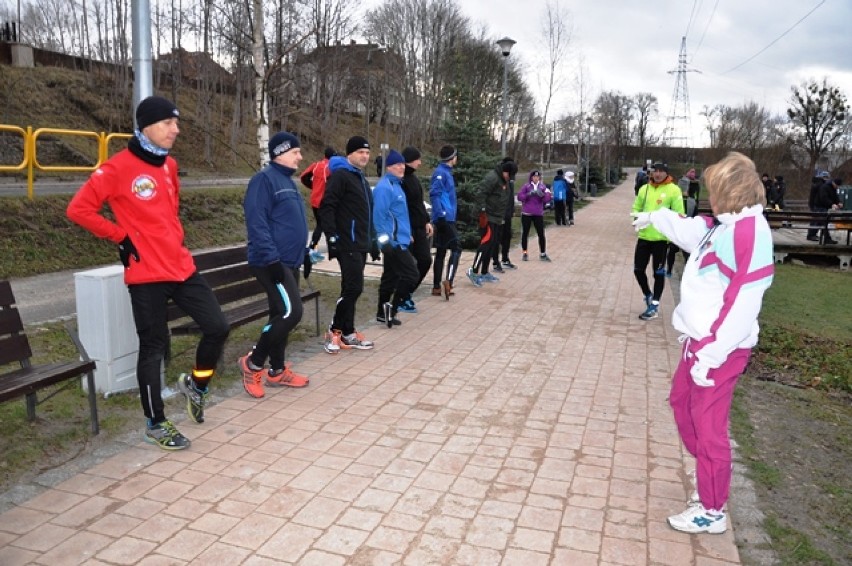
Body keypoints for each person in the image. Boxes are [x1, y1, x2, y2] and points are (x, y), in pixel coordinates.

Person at [66, 96, 229, 450]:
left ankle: (197, 386)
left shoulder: (170, 166)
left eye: (177, 122)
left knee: (217, 327)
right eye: (169, 123)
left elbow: (168, 213)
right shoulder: (115, 169)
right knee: (153, 348)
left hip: (181, 267)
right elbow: (79, 209)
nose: (176, 129)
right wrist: (120, 236)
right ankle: (156, 423)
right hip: (145, 276)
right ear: (147, 126)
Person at [631, 151, 774, 535]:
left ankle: (711, 508)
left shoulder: (750, 233)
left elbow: (744, 302)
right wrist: (656, 218)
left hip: (720, 350)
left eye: (714, 190)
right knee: (682, 405)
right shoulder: (727, 226)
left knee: (709, 427)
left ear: (730, 192)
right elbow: (697, 232)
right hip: (701, 343)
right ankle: (709, 476)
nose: (708, 196)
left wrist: (712, 353)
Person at [237, 132, 310, 399]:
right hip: (270, 262)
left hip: (289, 261)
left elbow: (291, 223)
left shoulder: (288, 183)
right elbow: (257, 223)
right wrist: (272, 260)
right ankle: (253, 363)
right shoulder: (263, 180)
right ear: (280, 153)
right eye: (295, 152)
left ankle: (277, 370)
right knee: (292, 313)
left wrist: (304, 254)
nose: (300, 157)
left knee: (279, 314)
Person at [318, 135, 377, 353]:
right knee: (354, 287)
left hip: (360, 242)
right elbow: (327, 207)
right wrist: (332, 237)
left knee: (350, 288)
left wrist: (373, 240)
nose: (365, 156)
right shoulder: (341, 176)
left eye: (367, 152)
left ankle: (349, 332)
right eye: (360, 152)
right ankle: (334, 332)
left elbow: (368, 214)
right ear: (350, 154)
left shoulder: (360, 178)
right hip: (347, 242)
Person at [631, 162, 685, 320]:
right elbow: (636, 207)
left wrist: (672, 230)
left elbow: (679, 213)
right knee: (638, 270)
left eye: (661, 171)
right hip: (644, 237)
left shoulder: (673, 190)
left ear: (666, 173)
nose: (658, 174)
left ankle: (654, 305)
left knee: (658, 273)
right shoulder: (644, 189)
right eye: (655, 171)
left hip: (661, 239)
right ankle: (648, 294)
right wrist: (636, 217)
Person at [372, 150, 419, 326]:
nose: (401, 167)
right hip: (393, 243)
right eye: (396, 165)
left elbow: (399, 216)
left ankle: (381, 313)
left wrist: (408, 235)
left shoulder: (397, 185)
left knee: (390, 277)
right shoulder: (385, 188)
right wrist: (386, 242)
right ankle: (392, 308)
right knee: (411, 274)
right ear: (389, 167)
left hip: (401, 239)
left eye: (402, 164)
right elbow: (379, 217)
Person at [467, 158, 517, 286]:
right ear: (504, 171)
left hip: (497, 217)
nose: (509, 178)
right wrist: (482, 211)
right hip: (487, 217)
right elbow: (480, 194)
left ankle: (484, 272)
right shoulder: (493, 178)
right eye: (508, 175)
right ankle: (473, 270)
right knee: (485, 244)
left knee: (493, 244)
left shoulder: (503, 180)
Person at [399, 146, 433, 312]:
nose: (420, 162)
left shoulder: (414, 179)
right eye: (418, 159)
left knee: (425, 260)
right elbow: (402, 208)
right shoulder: (402, 180)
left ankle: (407, 293)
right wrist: (405, 230)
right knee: (409, 266)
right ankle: (400, 297)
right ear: (410, 160)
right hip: (409, 229)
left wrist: (427, 221)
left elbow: (419, 203)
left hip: (420, 227)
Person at [430, 145, 461, 299]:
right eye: (456, 155)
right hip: (445, 218)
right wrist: (441, 214)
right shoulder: (441, 174)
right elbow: (434, 194)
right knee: (456, 248)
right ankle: (448, 281)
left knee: (441, 250)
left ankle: (436, 287)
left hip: (447, 217)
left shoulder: (447, 173)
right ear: (452, 157)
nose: (457, 158)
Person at [300, 146, 335, 261]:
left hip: (314, 200)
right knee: (323, 226)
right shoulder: (331, 167)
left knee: (320, 225)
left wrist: (312, 186)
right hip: (324, 201)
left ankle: (314, 247)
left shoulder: (316, 165)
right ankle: (315, 248)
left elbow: (303, 176)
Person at [517, 170, 553, 261]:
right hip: (527, 213)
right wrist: (528, 194)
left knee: (541, 234)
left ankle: (543, 253)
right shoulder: (526, 186)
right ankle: (525, 252)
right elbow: (520, 197)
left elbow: (548, 198)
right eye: (534, 177)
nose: (536, 178)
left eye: (537, 177)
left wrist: (542, 196)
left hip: (538, 213)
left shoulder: (542, 186)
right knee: (525, 233)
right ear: (531, 177)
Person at [493, 156, 519, 271]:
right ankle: (495, 261)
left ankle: (505, 258)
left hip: (508, 213)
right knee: (496, 238)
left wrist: (512, 210)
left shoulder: (510, 180)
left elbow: (510, 197)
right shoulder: (497, 179)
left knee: (507, 236)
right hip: (498, 214)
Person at [813, 177, 843, 244]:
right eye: (837, 186)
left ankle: (811, 235)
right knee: (824, 222)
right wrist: (831, 204)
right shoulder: (825, 187)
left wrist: (839, 202)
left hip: (824, 207)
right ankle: (827, 239)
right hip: (820, 206)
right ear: (834, 183)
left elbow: (836, 197)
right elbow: (824, 198)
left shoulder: (833, 188)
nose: (837, 187)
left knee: (820, 222)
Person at [806, 171, 831, 241]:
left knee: (817, 221)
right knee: (816, 221)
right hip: (817, 205)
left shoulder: (817, 184)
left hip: (814, 204)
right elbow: (820, 196)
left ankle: (814, 235)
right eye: (826, 177)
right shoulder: (820, 185)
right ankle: (812, 235)